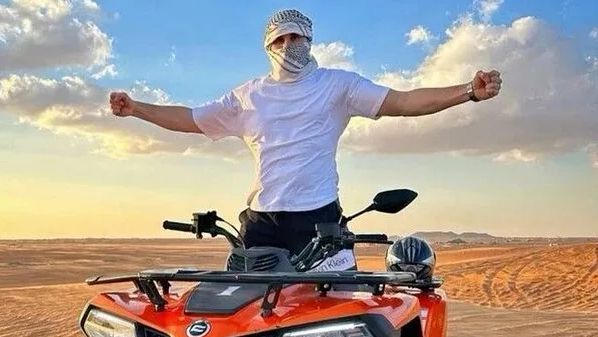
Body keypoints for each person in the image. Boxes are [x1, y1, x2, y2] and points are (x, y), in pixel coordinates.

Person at [109, 9, 502, 256]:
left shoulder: (338, 85)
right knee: (245, 323)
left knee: (341, 315)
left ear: (308, 40)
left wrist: (468, 92)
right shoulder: (247, 96)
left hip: (320, 221)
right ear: (268, 47)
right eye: (279, 39)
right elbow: (191, 118)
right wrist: (137, 109)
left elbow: (403, 101)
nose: (288, 45)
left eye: (295, 37)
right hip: (261, 225)